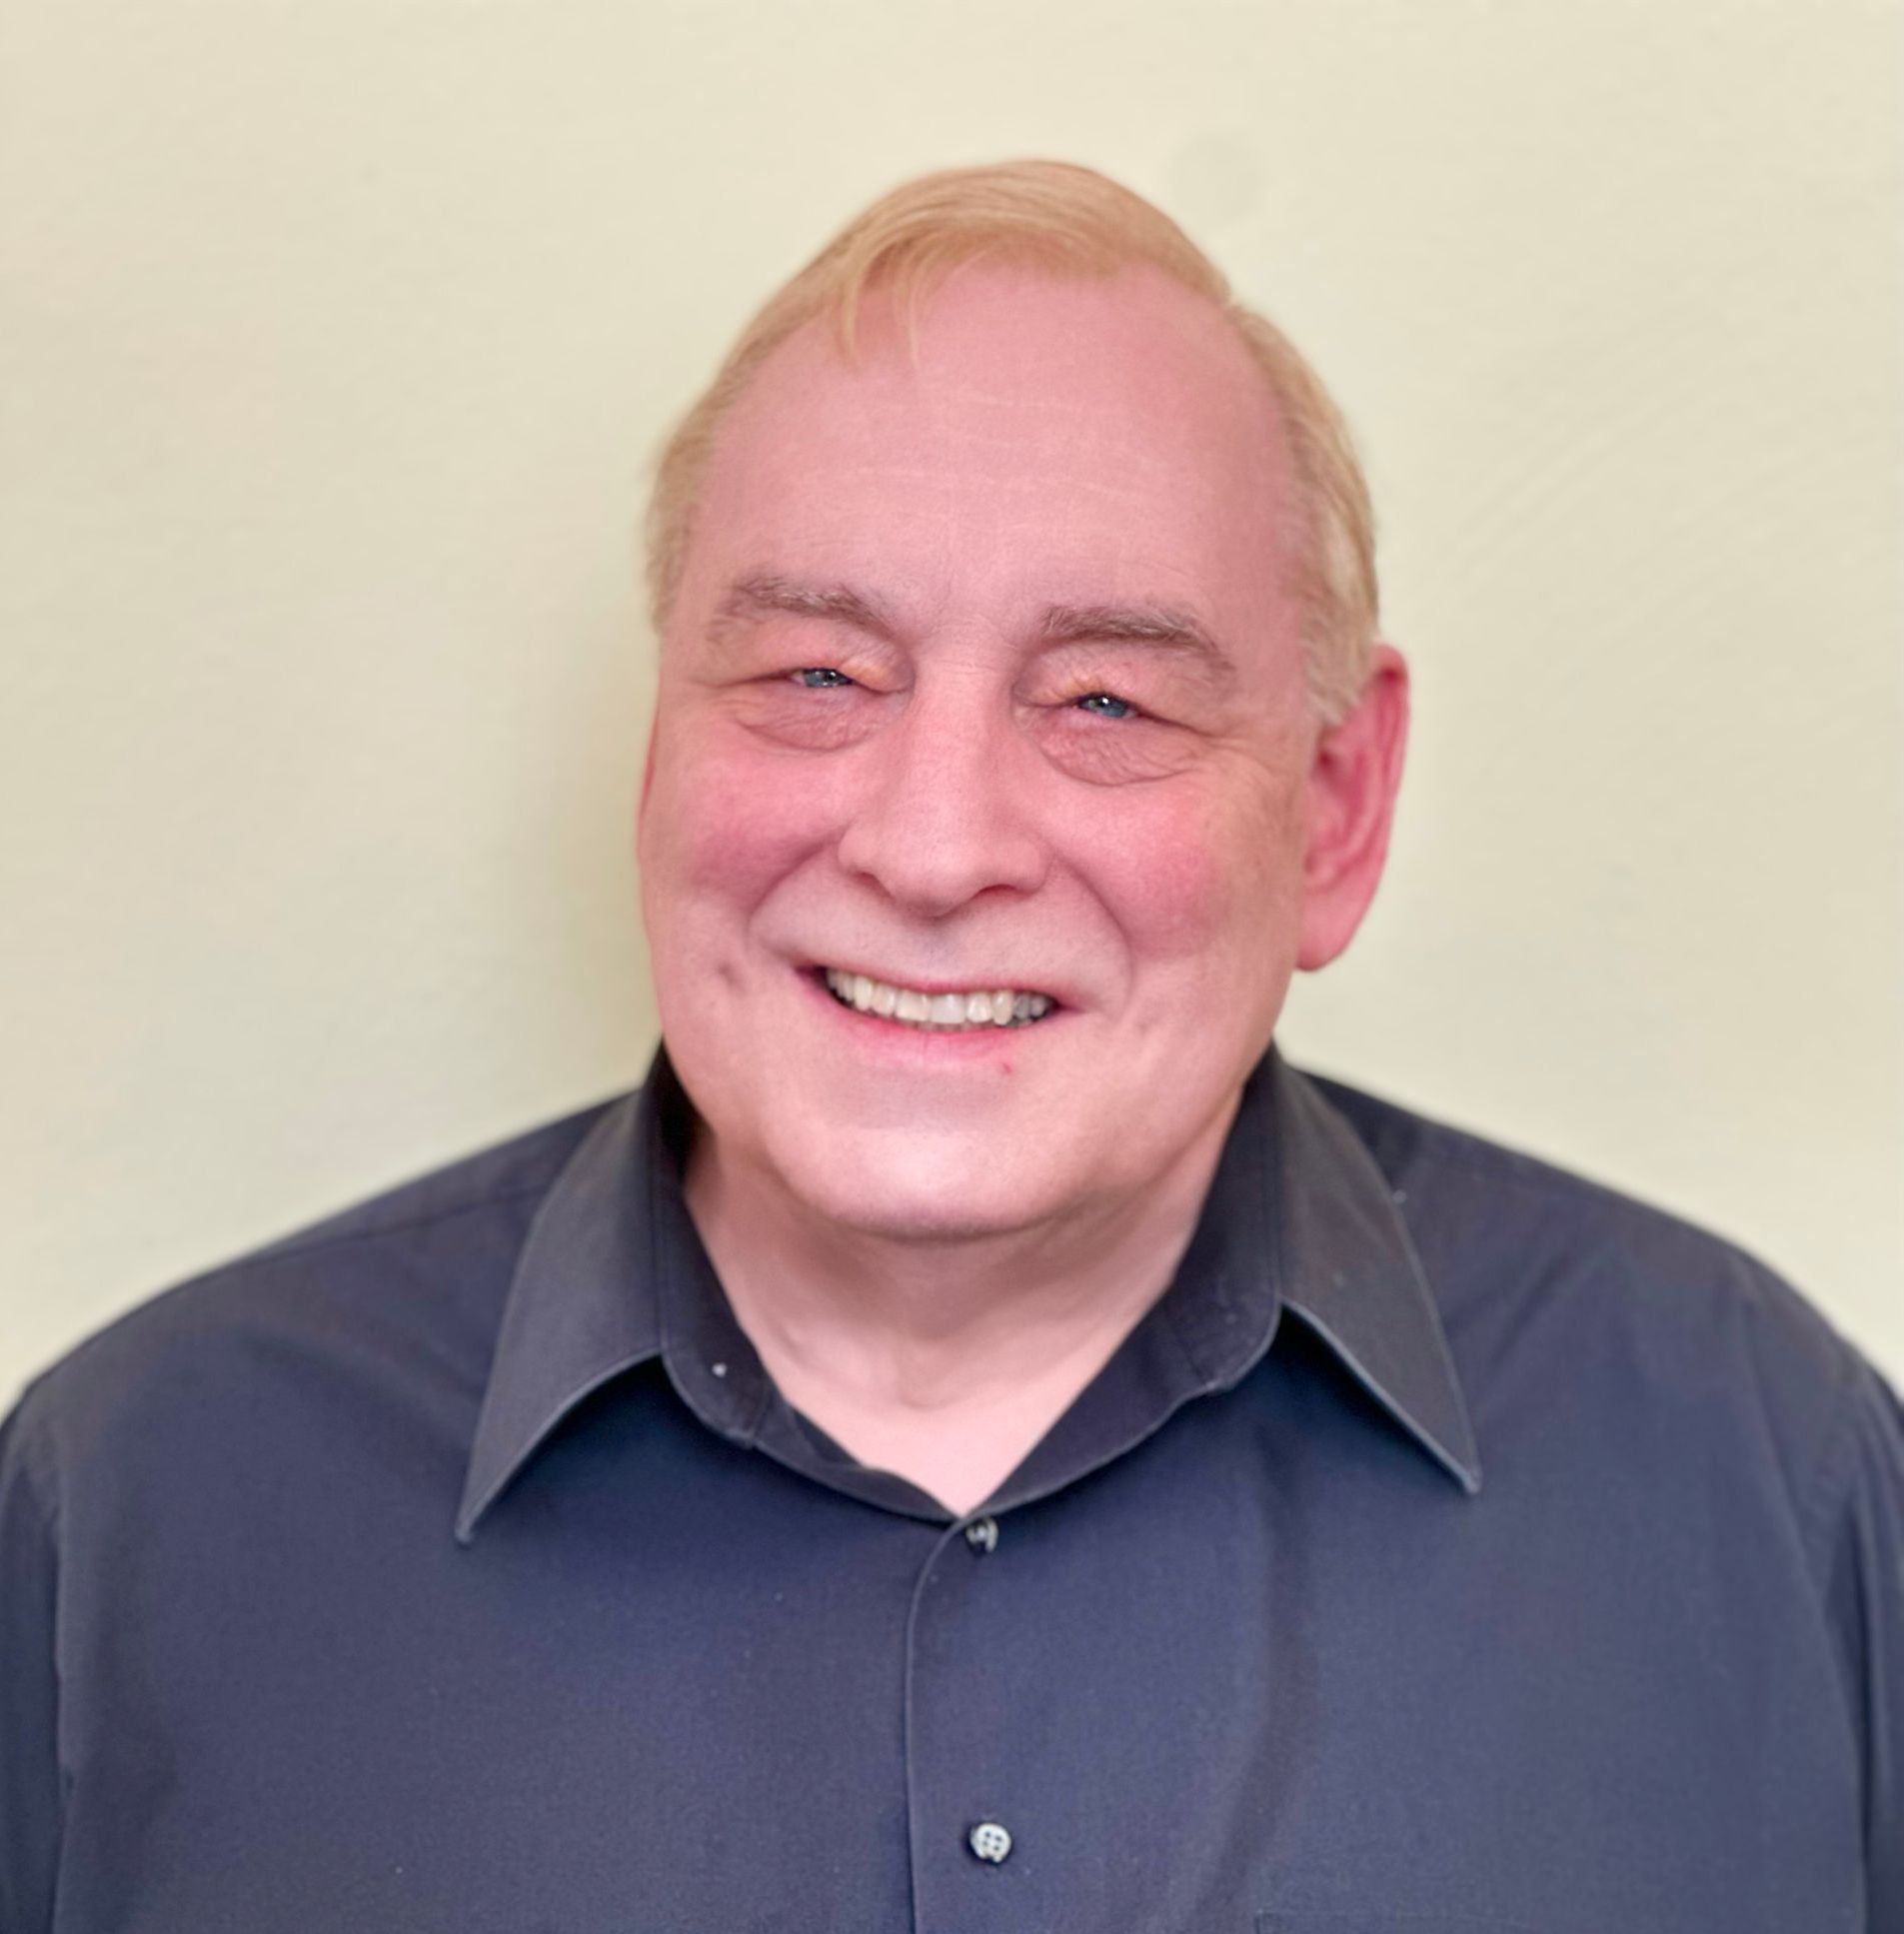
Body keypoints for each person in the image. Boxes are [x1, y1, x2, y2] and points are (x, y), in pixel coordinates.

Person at [2, 159, 1898, 1932]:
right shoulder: (133, 1516)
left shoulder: (1772, 1485)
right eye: (816, 675)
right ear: (659, 746)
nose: (928, 849)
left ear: (1334, 808)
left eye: (1106, 701)